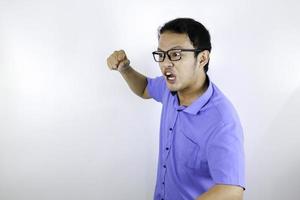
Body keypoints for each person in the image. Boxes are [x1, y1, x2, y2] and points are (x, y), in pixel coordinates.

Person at [106, 18, 245, 200]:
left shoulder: (222, 121)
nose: (165, 64)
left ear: (202, 58)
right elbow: (144, 88)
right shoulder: (170, 88)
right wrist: (125, 69)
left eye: (176, 54)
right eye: (161, 55)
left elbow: (232, 191)